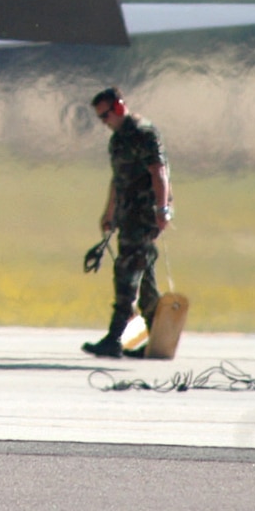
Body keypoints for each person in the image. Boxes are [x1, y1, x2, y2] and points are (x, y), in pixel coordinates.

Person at [82, 87, 172, 358]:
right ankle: (158, 340)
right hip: (127, 215)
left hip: (144, 216)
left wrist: (162, 209)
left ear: (119, 108)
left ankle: (115, 337)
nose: (104, 122)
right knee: (144, 280)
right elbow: (118, 180)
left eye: (106, 115)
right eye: (100, 118)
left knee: (127, 274)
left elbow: (159, 172)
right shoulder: (118, 140)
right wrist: (109, 213)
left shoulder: (144, 134)